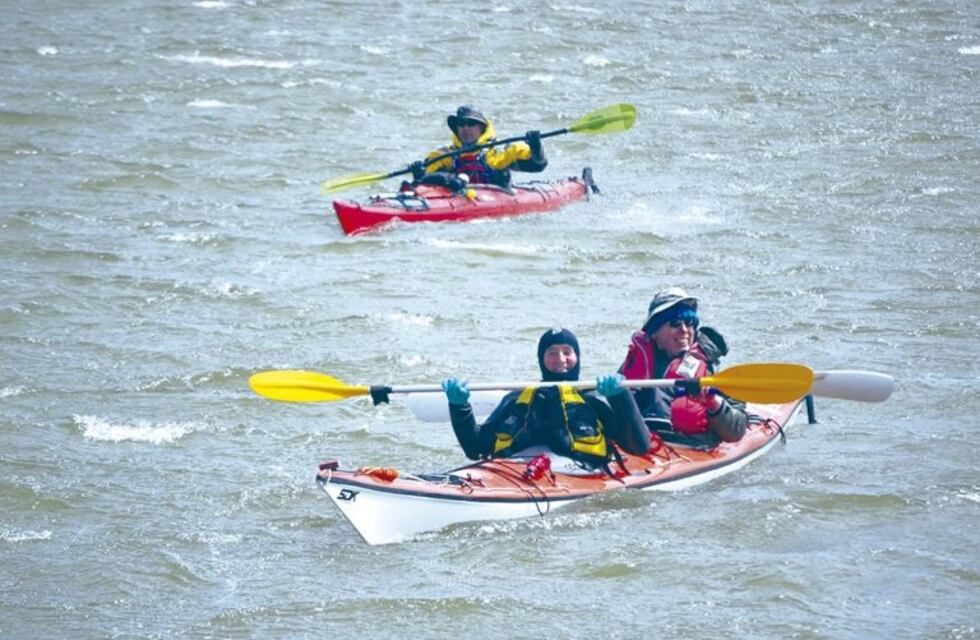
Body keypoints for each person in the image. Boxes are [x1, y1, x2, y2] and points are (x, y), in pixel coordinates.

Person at [442, 328, 651, 472]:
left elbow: (639, 447)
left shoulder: (592, 399)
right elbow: (475, 448)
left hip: (578, 471)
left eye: (567, 352)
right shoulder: (518, 398)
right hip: (512, 469)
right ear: (541, 359)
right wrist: (459, 406)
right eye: (551, 352)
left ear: (577, 357)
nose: (560, 359)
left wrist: (620, 397)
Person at [618, 288, 748, 448]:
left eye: (689, 323)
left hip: (691, 445)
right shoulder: (637, 362)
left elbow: (736, 431)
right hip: (642, 443)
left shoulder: (710, 373)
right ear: (654, 332)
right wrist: (612, 394)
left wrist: (712, 401)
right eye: (675, 324)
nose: (684, 330)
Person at [408, 105, 547, 190]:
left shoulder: (498, 152)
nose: (465, 128)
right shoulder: (445, 155)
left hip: (496, 198)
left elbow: (537, 165)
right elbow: (423, 179)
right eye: (461, 124)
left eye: (471, 124)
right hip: (458, 197)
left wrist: (536, 147)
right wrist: (419, 173)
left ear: (482, 128)